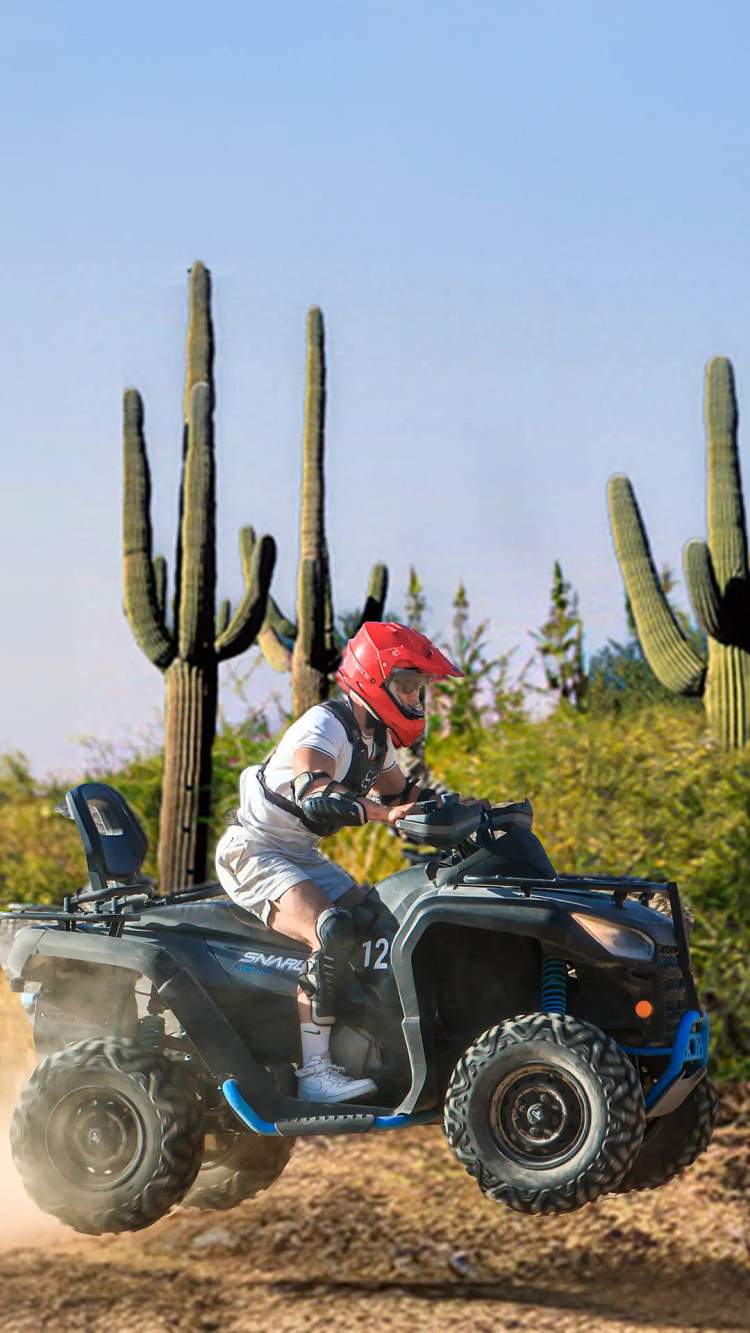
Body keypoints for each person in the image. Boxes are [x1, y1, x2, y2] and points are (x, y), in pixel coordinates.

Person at [215, 621, 462, 1104]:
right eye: (408, 687)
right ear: (375, 679)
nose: (416, 699)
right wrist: (385, 815)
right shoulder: (325, 725)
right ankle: (315, 1073)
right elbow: (313, 791)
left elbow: (404, 794)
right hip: (255, 849)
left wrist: (469, 813)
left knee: (378, 917)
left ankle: (371, 1042)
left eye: (419, 690)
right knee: (331, 930)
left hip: (299, 853)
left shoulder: (375, 741)